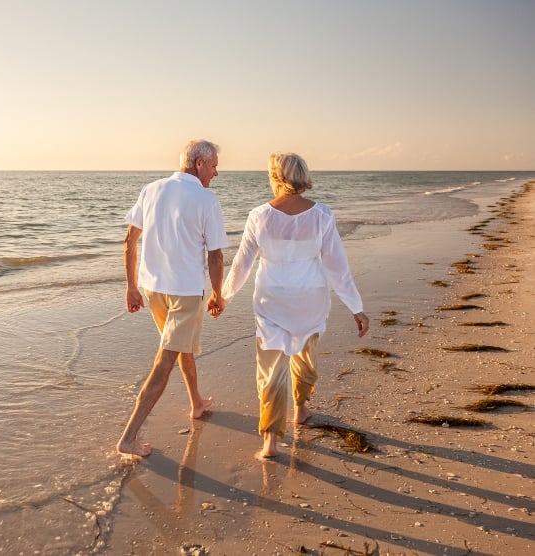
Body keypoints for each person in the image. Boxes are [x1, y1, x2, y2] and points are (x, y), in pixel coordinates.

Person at [221, 152, 370, 458]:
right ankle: (300, 409)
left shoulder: (259, 216)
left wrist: (223, 296)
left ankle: (271, 441)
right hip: (310, 300)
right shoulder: (322, 215)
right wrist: (356, 307)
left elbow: (241, 266)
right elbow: (337, 268)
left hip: (271, 300)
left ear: (276, 177)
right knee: (305, 357)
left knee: (271, 370)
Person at [116, 139, 228, 457]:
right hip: (185, 294)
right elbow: (216, 256)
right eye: (215, 165)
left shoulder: (151, 189)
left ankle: (196, 403)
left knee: (181, 348)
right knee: (165, 360)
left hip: (153, 290)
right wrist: (219, 294)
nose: (217, 172)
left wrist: (132, 287)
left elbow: (129, 241)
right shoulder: (206, 200)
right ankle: (129, 437)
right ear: (199, 164)